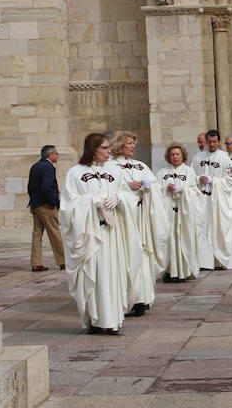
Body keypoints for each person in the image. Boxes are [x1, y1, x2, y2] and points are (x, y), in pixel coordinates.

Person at [60, 133, 141, 335]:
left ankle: (113, 320)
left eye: (108, 148)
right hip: (91, 235)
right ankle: (97, 320)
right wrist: (91, 202)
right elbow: (67, 206)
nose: (108, 151)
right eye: (104, 148)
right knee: (96, 276)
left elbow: (129, 196)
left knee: (113, 275)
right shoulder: (76, 173)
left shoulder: (115, 170)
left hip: (112, 233)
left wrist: (119, 197)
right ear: (92, 150)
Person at [112, 131, 166, 317]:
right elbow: (110, 190)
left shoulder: (141, 165)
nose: (133, 146)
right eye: (129, 143)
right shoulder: (112, 166)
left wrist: (148, 186)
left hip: (141, 218)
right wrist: (128, 186)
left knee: (143, 256)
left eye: (134, 143)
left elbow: (155, 184)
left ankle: (142, 298)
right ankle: (128, 298)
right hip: (125, 220)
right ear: (119, 145)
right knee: (128, 256)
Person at [193, 129, 232, 270]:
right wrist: (198, 178)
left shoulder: (225, 158)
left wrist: (214, 181)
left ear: (219, 142)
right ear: (206, 142)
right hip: (202, 199)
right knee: (202, 228)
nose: (212, 144)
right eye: (210, 141)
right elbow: (191, 175)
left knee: (217, 229)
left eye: (215, 141)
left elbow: (231, 180)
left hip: (218, 200)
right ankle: (204, 261)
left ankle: (219, 260)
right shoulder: (198, 157)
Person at [156, 142, 201, 281]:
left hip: (183, 212)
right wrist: (165, 189)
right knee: (168, 241)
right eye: (172, 155)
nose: (175, 157)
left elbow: (195, 191)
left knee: (182, 241)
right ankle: (169, 271)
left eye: (177, 154)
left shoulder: (189, 171)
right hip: (167, 212)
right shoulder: (162, 172)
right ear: (168, 157)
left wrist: (183, 189)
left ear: (183, 156)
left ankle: (183, 272)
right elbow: (156, 190)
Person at [27, 145, 66, 272]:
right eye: (56, 153)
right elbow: (47, 187)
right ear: (51, 155)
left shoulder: (36, 166)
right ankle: (64, 261)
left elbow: (30, 186)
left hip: (36, 204)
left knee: (37, 233)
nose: (57, 155)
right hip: (46, 205)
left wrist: (33, 201)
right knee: (55, 232)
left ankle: (36, 262)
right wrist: (55, 202)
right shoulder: (48, 167)